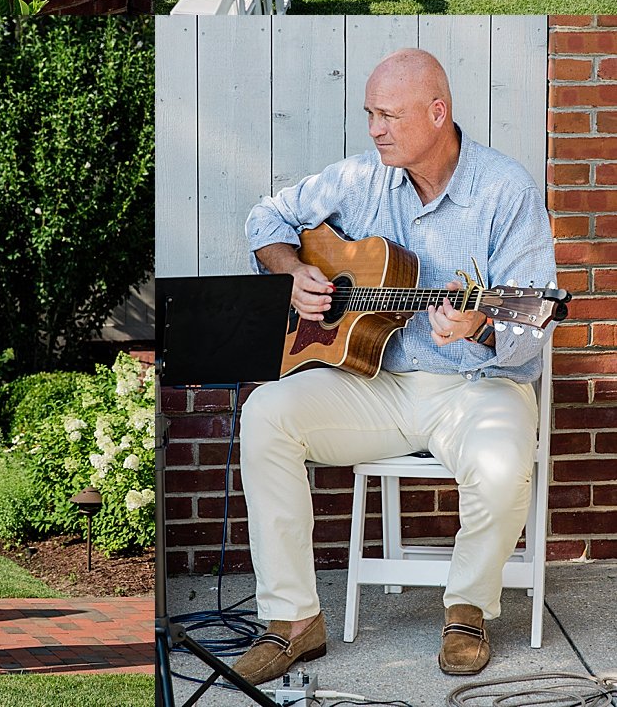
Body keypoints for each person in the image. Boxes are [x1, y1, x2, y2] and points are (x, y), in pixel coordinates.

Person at [234, 49, 553, 686]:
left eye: (389, 116)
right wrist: (292, 270)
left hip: (475, 386)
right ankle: (294, 620)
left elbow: (532, 328)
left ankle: (466, 610)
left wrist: (479, 325)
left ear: (438, 113)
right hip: (374, 383)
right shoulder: (360, 178)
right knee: (266, 414)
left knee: (502, 462)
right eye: (370, 114)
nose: (375, 129)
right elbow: (266, 217)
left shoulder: (505, 190)